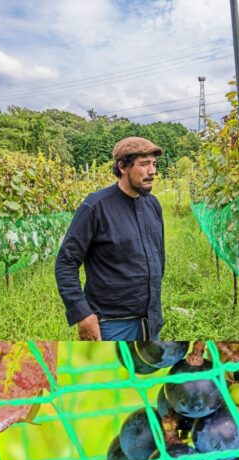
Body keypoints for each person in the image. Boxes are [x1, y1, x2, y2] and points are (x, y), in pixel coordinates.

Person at [55, 136, 166, 341]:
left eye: (154, 164)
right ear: (123, 167)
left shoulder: (152, 205)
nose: (153, 171)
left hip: (151, 321)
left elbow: (159, 254)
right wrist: (82, 313)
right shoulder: (95, 207)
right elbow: (66, 262)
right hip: (112, 326)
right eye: (144, 164)